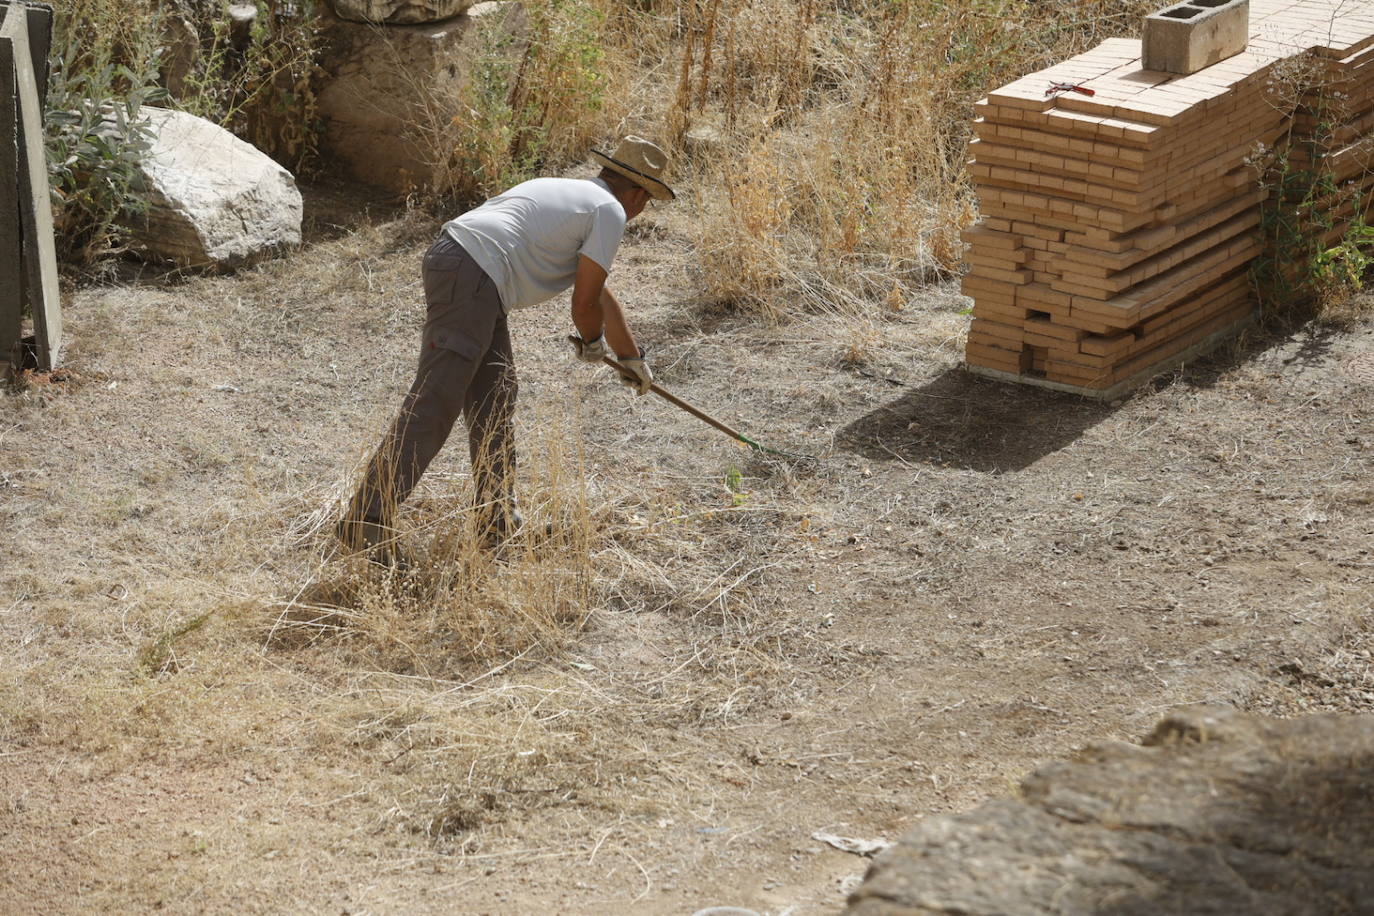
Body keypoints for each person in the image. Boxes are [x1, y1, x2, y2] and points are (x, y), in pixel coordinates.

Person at [338, 136, 674, 564]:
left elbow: (601, 296)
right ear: (640, 195)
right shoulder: (609, 210)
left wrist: (631, 358)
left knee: (494, 398)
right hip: (476, 275)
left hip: (469, 270)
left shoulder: (570, 193)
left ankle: (497, 520)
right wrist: (593, 343)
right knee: (437, 398)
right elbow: (585, 304)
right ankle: (367, 519)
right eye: (648, 201)